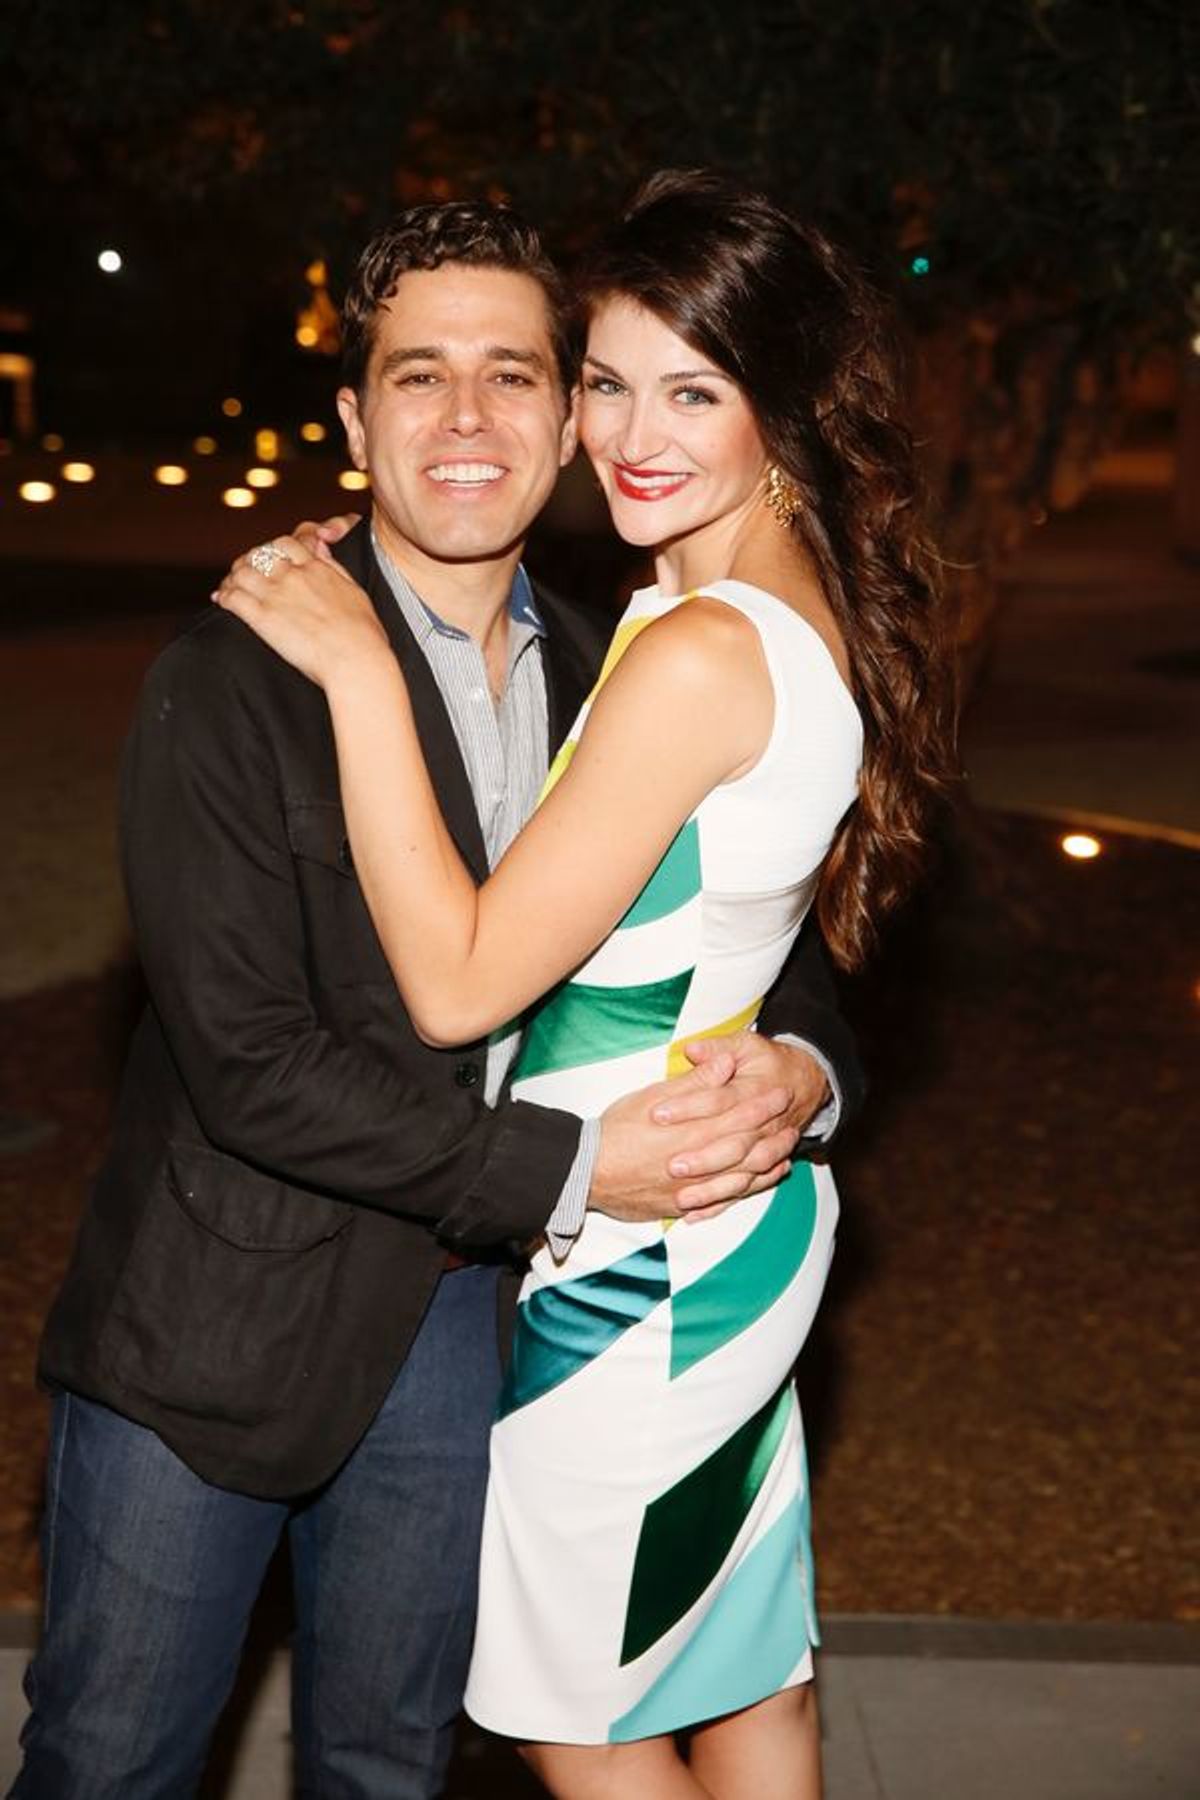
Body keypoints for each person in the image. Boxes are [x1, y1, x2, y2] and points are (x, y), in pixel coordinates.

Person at [11, 198, 863, 1800]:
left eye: (517, 377)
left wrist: (806, 1071)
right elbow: (250, 1063)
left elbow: (765, 939)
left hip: (480, 1320)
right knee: (111, 1762)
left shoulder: (637, 652)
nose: (467, 419)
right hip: (224, 1325)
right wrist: (570, 1171)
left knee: (395, 1761)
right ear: (353, 420)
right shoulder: (239, 671)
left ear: (559, 421)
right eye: (418, 378)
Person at [214, 172, 952, 1799]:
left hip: (655, 1262)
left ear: (789, 403)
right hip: (712, 1225)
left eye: (693, 389)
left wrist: (352, 667)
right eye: (608, 381)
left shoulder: (700, 650)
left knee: (572, 1713)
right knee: (742, 1669)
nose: (635, 432)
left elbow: (465, 980)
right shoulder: (725, 607)